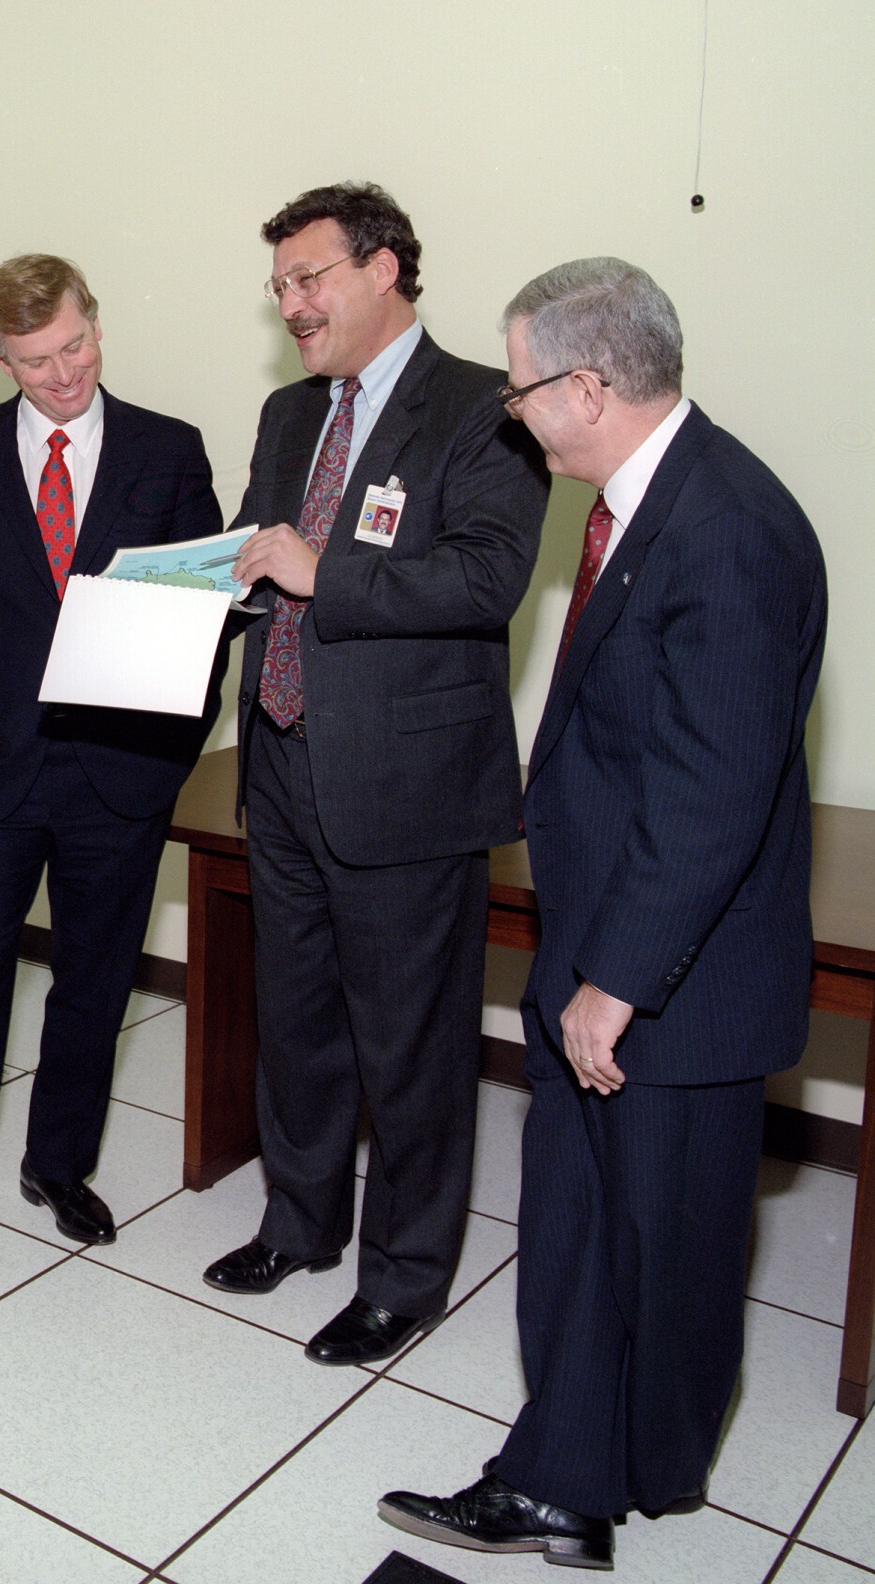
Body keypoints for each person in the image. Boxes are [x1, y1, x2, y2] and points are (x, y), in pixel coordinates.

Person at [379, 259, 827, 1570]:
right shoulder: (648, 499)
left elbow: (710, 793)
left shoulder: (727, 528)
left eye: (521, 390)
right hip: (606, 941)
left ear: (587, 385)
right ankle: (564, 1475)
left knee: (667, 1243)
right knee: (581, 1222)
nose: (512, 415)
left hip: (669, 983)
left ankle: (631, 1476)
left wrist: (615, 980)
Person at [208, 183, 549, 1365]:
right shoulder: (284, 414)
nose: (291, 306)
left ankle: (404, 1276)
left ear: (384, 268)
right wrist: (195, 584)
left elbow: (487, 579)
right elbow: (263, 554)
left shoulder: (481, 409)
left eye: (309, 280)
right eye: (280, 288)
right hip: (285, 757)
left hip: (406, 786)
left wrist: (319, 573)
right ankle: (298, 1224)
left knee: (408, 1040)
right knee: (293, 1021)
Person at [0, 255, 223, 1311]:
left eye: (74, 346)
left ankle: (57, 1164)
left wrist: (170, 754)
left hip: (117, 781)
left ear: (94, 323)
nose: (62, 373)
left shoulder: (168, 451)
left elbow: (204, 618)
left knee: (92, 985)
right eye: (34, 361)